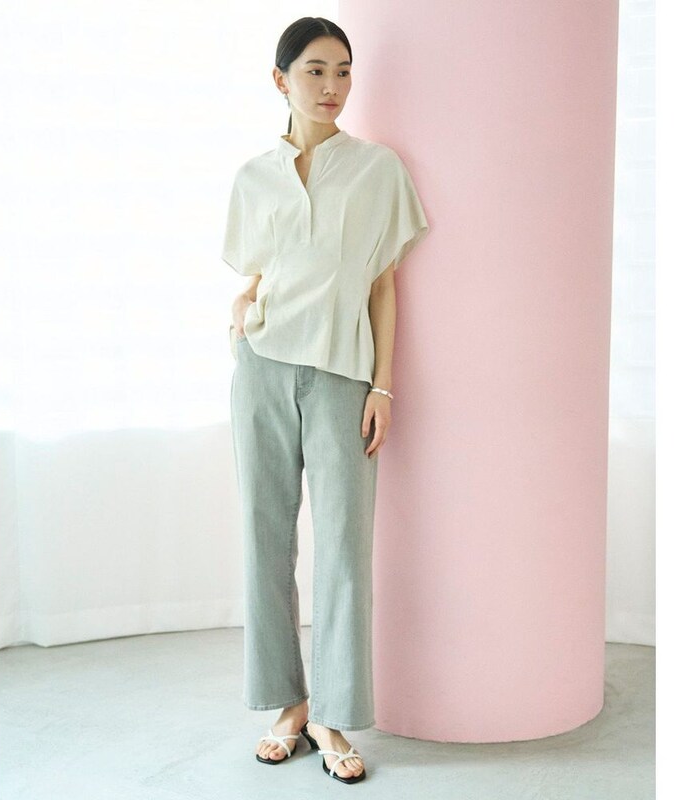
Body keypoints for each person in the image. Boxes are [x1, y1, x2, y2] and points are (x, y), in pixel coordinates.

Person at [222, 16, 429, 785]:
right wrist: (241, 308)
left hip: (343, 375)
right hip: (263, 367)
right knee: (265, 538)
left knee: (343, 547)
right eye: (315, 70)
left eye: (343, 70)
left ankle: (335, 715)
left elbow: (382, 284)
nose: (332, 86)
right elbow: (258, 271)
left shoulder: (377, 169)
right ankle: (289, 706)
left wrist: (383, 384)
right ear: (281, 80)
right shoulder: (254, 177)